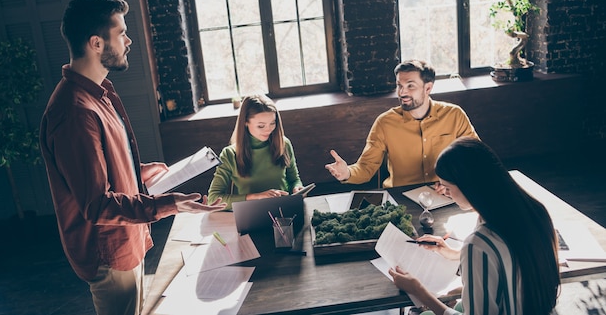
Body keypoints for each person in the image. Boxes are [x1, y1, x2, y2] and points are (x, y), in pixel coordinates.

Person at [39, 0, 226, 315]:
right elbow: (96, 204)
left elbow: (101, 169)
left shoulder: (100, 92)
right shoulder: (75, 113)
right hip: (108, 250)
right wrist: (171, 204)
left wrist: (139, 173)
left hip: (127, 239)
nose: (128, 40)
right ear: (96, 43)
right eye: (121, 32)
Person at [389, 137, 560, 315]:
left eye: (447, 187)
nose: (446, 194)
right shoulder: (534, 211)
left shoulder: (478, 244)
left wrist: (418, 291)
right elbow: (511, 256)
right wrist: (456, 253)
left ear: (468, 185)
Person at [325, 59, 478, 188]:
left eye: (410, 85)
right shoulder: (385, 123)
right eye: (399, 85)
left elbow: (475, 157)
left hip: (445, 194)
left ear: (428, 88)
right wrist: (347, 173)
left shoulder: (454, 115)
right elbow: (366, 167)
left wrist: (453, 183)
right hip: (401, 198)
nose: (402, 92)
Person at [208, 94, 305, 210]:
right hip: (250, 215)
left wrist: (297, 188)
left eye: (272, 123)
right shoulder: (230, 154)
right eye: (261, 126)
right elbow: (213, 199)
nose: (268, 129)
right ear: (245, 122)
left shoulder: (284, 144)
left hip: (284, 212)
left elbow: (294, 179)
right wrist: (255, 197)